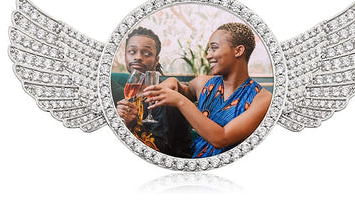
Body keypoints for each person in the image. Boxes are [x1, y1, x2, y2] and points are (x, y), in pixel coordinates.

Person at [143, 22, 272, 158]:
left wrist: (180, 101)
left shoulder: (262, 99)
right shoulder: (203, 83)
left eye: (214, 48)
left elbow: (221, 139)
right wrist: (173, 81)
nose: (208, 56)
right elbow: (184, 91)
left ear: (238, 51)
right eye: (208, 50)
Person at [111, 27, 192, 158]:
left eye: (147, 53)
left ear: (156, 60)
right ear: (125, 56)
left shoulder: (165, 96)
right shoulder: (130, 92)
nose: (138, 57)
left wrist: (129, 128)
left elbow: (161, 150)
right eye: (132, 52)